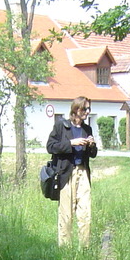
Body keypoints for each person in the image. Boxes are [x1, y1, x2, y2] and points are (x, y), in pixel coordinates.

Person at [46, 96, 97, 247]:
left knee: (85, 213)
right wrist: (70, 143)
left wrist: (92, 145)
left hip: (83, 173)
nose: (87, 112)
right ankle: (65, 250)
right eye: (85, 109)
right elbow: (50, 146)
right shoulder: (61, 126)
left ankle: (84, 249)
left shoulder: (87, 129)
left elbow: (93, 155)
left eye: (88, 109)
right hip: (66, 174)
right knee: (66, 215)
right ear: (76, 110)